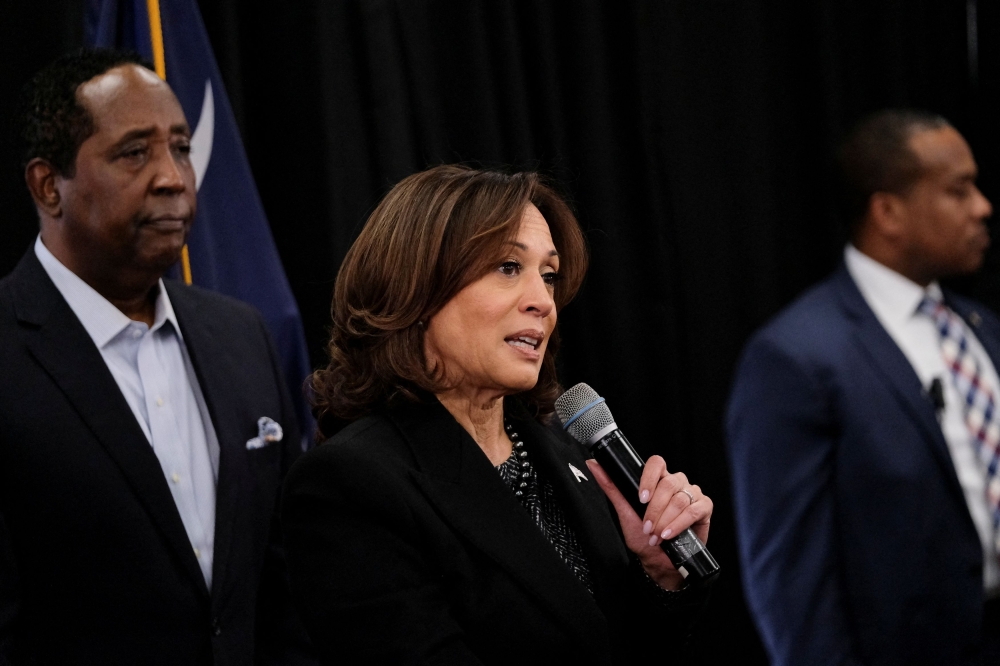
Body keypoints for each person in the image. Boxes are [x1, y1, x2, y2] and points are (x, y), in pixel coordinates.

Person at [281, 165, 715, 664]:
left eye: (548, 276)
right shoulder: (351, 484)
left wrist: (659, 576)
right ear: (416, 288)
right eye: (508, 267)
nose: (543, 302)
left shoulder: (564, 448)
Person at [0, 49, 315, 664]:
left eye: (181, 148)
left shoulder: (242, 336)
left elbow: (286, 586)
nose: (173, 177)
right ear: (48, 186)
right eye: (134, 153)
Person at [727, 109, 999, 665]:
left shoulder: (982, 329)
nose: (982, 207)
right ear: (888, 212)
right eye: (959, 190)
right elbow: (793, 588)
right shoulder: (796, 357)